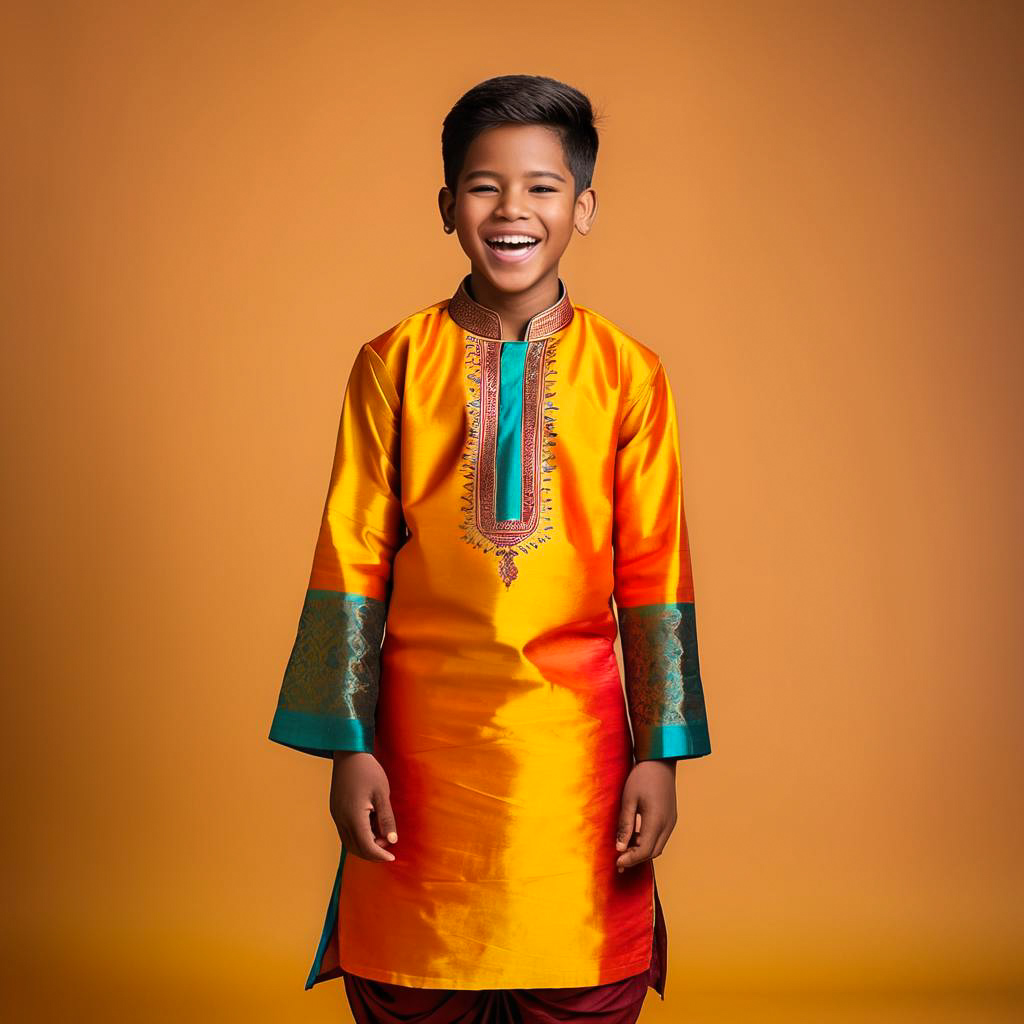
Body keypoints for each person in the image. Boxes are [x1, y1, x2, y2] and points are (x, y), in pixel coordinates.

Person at [268, 73, 712, 1023]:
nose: (514, 210)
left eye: (544, 187)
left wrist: (659, 755)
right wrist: (348, 749)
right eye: (484, 186)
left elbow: (653, 576)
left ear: (583, 206)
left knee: (584, 984)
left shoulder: (628, 375)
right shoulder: (395, 362)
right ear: (446, 207)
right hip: (420, 760)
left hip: (578, 762)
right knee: (408, 988)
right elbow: (352, 560)